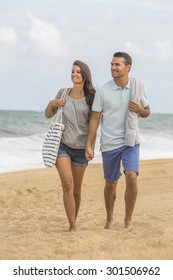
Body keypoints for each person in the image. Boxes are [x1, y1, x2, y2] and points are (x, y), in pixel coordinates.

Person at [85, 52, 150, 229]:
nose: (113, 68)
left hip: (130, 141)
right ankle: (109, 218)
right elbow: (95, 118)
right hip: (109, 143)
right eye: (112, 65)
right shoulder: (103, 90)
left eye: (117, 65)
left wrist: (139, 109)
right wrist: (89, 144)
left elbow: (147, 111)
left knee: (131, 177)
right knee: (111, 183)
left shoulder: (137, 86)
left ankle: (128, 219)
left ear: (127, 68)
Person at [45, 60, 95, 231]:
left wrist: (90, 146)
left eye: (78, 72)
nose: (74, 74)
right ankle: (72, 225)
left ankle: (74, 219)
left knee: (77, 191)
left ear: (84, 76)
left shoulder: (91, 97)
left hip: (81, 149)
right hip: (63, 145)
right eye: (73, 71)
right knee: (67, 184)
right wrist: (52, 103)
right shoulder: (63, 93)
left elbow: (93, 125)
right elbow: (47, 115)